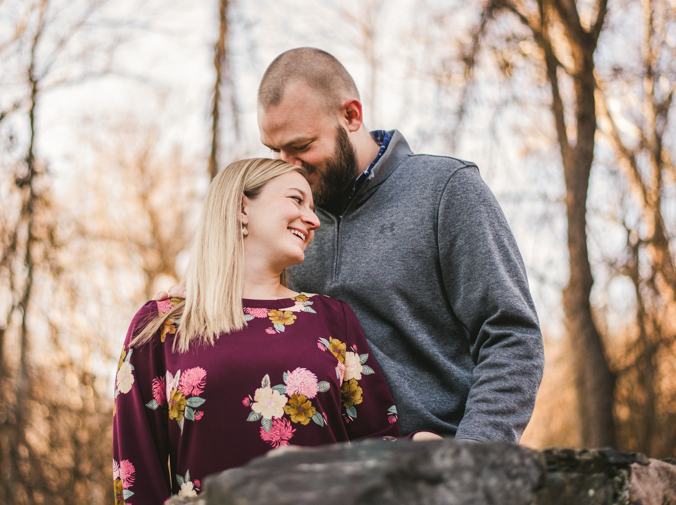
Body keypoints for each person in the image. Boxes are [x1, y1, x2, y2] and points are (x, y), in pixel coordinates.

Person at [157, 47, 544, 444]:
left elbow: (510, 335)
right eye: (275, 151)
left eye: (302, 145)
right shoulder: (282, 225)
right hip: (318, 477)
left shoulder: (447, 190)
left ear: (351, 116)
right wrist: (203, 295)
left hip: (430, 465)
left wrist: (471, 456)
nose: (289, 166)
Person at [113, 158, 401, 504]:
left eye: (313, 208)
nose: (313, 220)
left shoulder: (332, 320)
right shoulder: (162, 326)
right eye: (297, 200)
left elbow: (379, 445)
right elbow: (136, 474)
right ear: (241, 207)